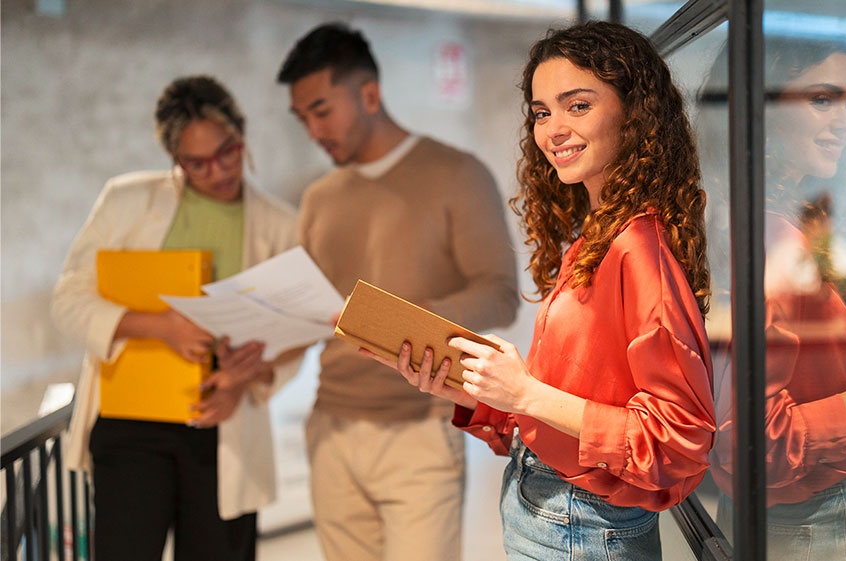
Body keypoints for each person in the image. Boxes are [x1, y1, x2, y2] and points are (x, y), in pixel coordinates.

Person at [368, 21, 716, 560]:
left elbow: (678, 440)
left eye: (578, 105)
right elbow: (570, 402)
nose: (553, 128)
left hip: (584, 523)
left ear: (633, 112)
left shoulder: (637, 247)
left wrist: (526, 394)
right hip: (546, 501)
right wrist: (474, 392)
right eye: (542, 111)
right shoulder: (596, 237)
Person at [276, 22, 519, 561]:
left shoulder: (457, 174)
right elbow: (317, 314)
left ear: (368, 94)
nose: (314, 131)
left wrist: (400, 320)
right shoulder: (319, 198)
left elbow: (500, 294)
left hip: (420, 432)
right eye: (303, 119)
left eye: (321, 111)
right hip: (331, 428)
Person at [696, 37, 846, 560]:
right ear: (758, 104)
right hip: (815, 516)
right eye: (823, 100)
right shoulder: (773, 237)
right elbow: (759, 440)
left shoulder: (739, 212)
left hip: (772, 510)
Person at [51, 75, 300, 561]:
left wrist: (246, 378)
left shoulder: (282, 226)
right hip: (131, 424)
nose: (217, 171)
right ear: (174, 160)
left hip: (224, 425)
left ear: (242, 136)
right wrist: (160, 326)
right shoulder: (127, 200)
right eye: (196, 163)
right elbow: (68, 299)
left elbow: (296, 333)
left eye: (227, 151)